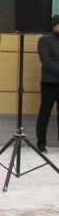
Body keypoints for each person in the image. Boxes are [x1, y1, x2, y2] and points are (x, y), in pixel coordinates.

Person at [36, 14, 59, 153]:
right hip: (49, 83)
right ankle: (41, 143)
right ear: (54, 25)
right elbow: (46, 61)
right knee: (45, 113)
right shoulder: (45, 40)